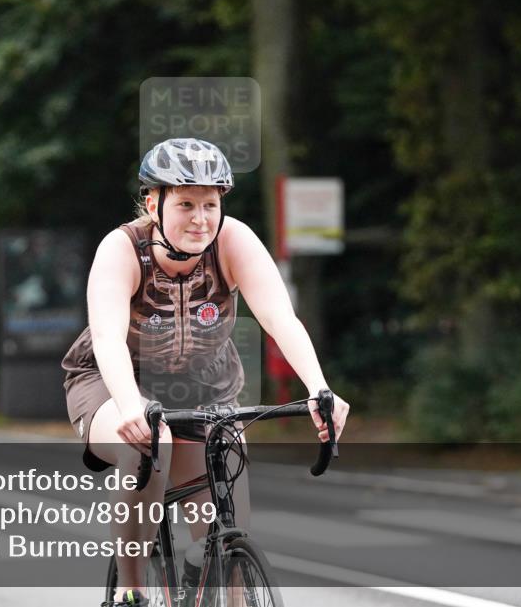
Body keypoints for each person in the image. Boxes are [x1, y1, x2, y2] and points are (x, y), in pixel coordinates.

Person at [61, 138, 350, 607]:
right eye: (186, 204)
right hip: (111, 381)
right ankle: (132, 591)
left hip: (205, 387)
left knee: (227, 549)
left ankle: (209, 572)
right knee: (151, 443)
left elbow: (280, 318)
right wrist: (131, 406)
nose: (201, 218)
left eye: (210, 204)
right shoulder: (122, 249)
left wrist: (320, 388)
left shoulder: (234, 241)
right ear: (153, 204)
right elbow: (109, 337)